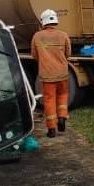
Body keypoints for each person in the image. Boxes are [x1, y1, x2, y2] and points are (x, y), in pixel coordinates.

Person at [30, 9, 72, 138]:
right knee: (63, 96)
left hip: (47, 75)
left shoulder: (37, 36)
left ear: (43, 21)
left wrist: (44, 61)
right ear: (55, 20)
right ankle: (62, 119)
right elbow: (68, 54)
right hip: (62, 74)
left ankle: (52, 129)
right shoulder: (64, 35)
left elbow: (34, 55)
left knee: (49, 100)